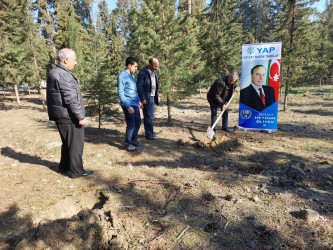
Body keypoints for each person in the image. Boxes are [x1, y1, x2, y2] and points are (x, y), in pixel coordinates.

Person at [46, 48, 93, 178]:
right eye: (74, 60)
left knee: (67, 143)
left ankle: (64, 167)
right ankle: (77, 171)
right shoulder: (63, 75)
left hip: (60, 115)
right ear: (66, 60)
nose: (76, 63)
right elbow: (70, 98)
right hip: (68, 115)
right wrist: (80, 116)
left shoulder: (54, 72)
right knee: (76, 144)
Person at [117, 57, 143, 151]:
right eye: (135, 67)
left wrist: (139, 100)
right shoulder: (122, 76)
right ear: (129, 65)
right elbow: (121, 93)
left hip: (135, 103)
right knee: (131, 124)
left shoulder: (132, 76)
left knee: (138, 122)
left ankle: (134, 140)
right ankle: (128, 144)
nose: (136, 69)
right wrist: (128, 106)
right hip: (127, 104)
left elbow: (134, 91)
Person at [137, 58, 160, 140]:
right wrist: (142, 98)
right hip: (146, 98)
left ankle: (150, 133)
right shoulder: (143, 73)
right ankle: (149, 135)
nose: (156, 68)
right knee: (148, 116)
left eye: (157, 66)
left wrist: (157, 95)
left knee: (151, 116)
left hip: (153, 97)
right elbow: (139, 87)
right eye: (154, 66)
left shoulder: (154, 73)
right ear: (150, 64)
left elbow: (155, 86)